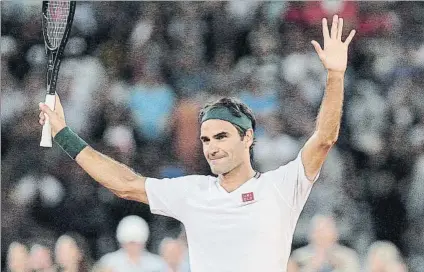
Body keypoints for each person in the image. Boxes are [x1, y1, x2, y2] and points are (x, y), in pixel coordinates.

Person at [38, 15, 355, 272]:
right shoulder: (193, 192)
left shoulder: (281, 186)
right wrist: (64, 133)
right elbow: (125, 184)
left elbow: (324, 139)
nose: (211, 147)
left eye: (221, 137)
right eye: (205, 139)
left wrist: (335, 76)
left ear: (247, 138)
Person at [289, 214, 360, 272]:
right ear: (311, 234)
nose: (322, 235)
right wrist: (312, 266)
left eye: (326, 230)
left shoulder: (348, 256)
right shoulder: (298, 257)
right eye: (318, 231)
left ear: (335, 234)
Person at [97, 215, 169, 271]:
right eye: (130, 243)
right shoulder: (110, 262)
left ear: (144, 242)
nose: (133, 247)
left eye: (136, 243)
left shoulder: (156, 264)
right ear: (122, 243)